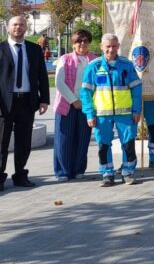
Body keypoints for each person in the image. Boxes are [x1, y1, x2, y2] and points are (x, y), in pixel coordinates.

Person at [80, 33, 142, 186]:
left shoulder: (127, 65)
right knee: (104, 145)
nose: (111, 50)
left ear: (118, 46)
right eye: (108, 46)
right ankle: (107, 173)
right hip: (102, 115)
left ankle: (128, 172)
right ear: (102, 47)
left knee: (128, 144)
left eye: (114, 46)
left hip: (125, 114)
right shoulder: (93, 67)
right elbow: (86, 92)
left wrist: (136, 110)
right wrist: (89, 114)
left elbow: (136, 89)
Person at [0, 15, 50, 189]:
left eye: (21, 25)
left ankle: (20, 175)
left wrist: (44, 99)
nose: (18, 27)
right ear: (8, 27)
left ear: (25, 28)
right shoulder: (1, 49)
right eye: (15, 24)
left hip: (27, 102)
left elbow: (42, 76)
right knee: (1, 142)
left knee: (24, 141)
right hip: (4, 103)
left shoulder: (34, 49)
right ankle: (0, 176)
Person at [52, 28, 97, 181]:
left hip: (86, 105)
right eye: (79, 41)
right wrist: (74, 100)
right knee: (64, 139)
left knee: (83, 138)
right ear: (73, 44)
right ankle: (63, 171)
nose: (82, 44)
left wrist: (86, 102)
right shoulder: (65, 59)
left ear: (89, 43)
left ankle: (79, 169)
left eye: (85, 40)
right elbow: (59, 82)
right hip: (67, 104)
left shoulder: (95, 60)